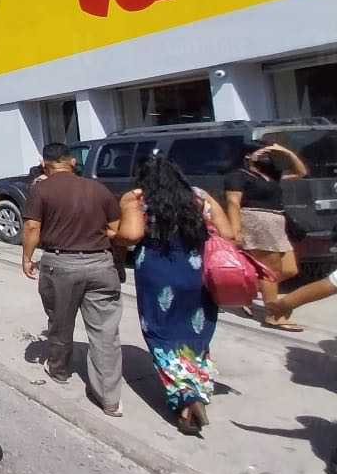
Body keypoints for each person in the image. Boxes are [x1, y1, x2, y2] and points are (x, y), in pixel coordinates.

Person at [115, 156, 234, 435]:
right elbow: (229, 233)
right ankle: (199, 385)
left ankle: (185, 399)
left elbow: (131, 234)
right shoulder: (200, 197)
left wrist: (115, 234)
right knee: (196, 334)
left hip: (157, 275)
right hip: (196, 273)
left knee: (162, 336)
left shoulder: (138, 198)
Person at [21, 142, 124, 416]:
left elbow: (32, 226)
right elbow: (115, 229)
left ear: (45, 165)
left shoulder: (41, 189)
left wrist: (27, 258)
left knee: (60, 322)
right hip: (101, 263)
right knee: (105, 333)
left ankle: (59, 370)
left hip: (60, 263)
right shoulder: (98, 188)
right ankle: (110, 398)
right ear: (72, 162)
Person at [225, 142, 308, 331]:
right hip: (256, 221)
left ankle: (245, 291)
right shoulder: (238, 176)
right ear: (247, 156)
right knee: (269, 271)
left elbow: (301, 172)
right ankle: (273, 315)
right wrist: (236, 231)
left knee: (289, 269)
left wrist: (286, 151)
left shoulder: (271, 175)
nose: (266, 156)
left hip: (277, 222)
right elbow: (233, 202)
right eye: (262, 153)